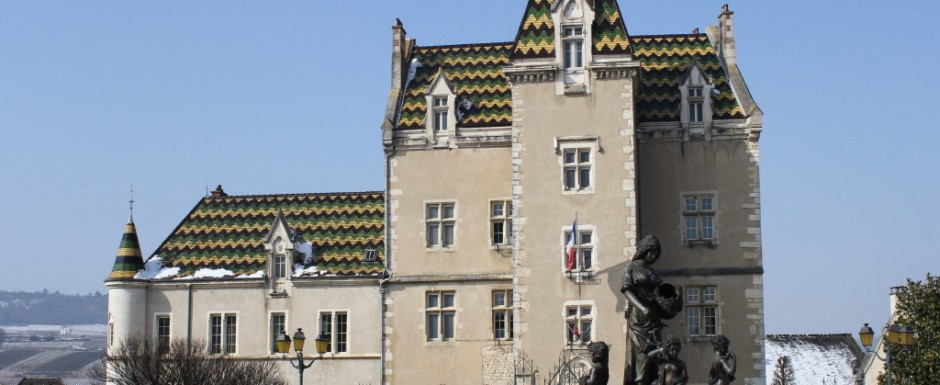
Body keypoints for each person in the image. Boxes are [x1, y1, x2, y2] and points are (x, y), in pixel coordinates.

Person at [621, 235, 664, 385]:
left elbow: (659, 292)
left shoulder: (652, 271)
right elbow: (627, 290)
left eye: (656, 254)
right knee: (641, 352)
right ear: (645, 250)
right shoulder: (631, 267)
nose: (654, 256)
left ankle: (652, 380)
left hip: (653, 317)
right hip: (638, 318)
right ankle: (638, 380)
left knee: (655, 350)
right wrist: (642, 307)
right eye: (652, 252)